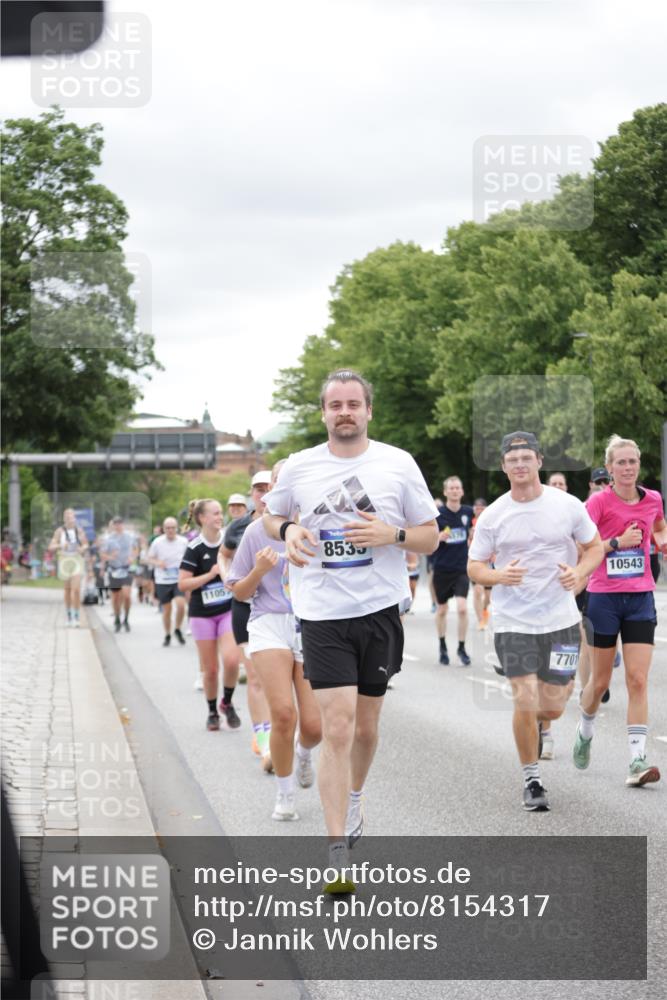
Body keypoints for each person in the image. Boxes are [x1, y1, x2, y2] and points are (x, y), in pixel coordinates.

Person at [264, 368, 438, 886]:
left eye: (353, 404)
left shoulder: (397, 464)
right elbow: (269, 519)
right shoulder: (299, 466)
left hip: (380, 609)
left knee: (365, 728)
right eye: (335, 404)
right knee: (336, 727)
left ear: (368, 411)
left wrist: (394, 533)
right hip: (321, 614)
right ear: (323, 413)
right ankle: (337, 848)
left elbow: (430, 537)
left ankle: (355, 796)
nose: (344, 412)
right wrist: (291, 528)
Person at [468, 431, 603, 812]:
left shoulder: (568, 505)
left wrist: (579, 575)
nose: (520, 465)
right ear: (504, 466)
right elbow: (475, 566)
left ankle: (544, 726)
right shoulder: (494, 514)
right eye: (513, 460)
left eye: (527, 458)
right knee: (525, 701)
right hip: (513, 620)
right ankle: (532, 779)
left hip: (560, 620)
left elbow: (594, 548)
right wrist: (498, 577)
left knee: (553, 708)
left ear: (539, 462)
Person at [227, 461, 322, 820]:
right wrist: (259, 570)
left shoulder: (315, 526)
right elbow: (240, 593)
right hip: (268, 622)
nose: (278, 488)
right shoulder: (255, 532)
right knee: (283, 713)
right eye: (274, 483)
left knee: (313, 726)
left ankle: (302, 753)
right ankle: (284, 795)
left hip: (312, 623)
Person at [573, 435, 667, 787]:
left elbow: (658, 526)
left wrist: (661, 542)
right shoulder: (598, 503)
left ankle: (636, 759)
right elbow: (581, 543)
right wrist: (616, 543)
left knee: (638, 680)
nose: (628, 468)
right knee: (599, 683)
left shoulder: (653, 499)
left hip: (640, 597)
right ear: (610, 468)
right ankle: (585, 729)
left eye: (633, 462)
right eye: (621, 463)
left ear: (639, 465)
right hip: (604, 599)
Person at [219, 471, 273, 762]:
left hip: (279, 609)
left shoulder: (291, 521)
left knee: (278, 679)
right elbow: (224, 554)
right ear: (252, 494)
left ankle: (279, 729)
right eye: (258, 489)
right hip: (245, 605)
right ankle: (263, 738)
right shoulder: (240, 526)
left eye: (268, 488)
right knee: (254, 675)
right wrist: (229, 578)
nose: (263, 494)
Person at [178, 499, 241, 732]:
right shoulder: (195, 548)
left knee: (233, 660)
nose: (219, 516)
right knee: (211, 669)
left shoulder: (230, 540)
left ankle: (227, 701)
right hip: (202, 614)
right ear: (202, 518)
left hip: (227, 610)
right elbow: (183, 584)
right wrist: (211, 574)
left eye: (219, 513)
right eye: (214, 513)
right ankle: (213, 711)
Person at [432, 476, 474, 666]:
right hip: (442, 569)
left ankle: (461, 647)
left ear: (462, 491)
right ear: (445, 492)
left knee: (463, 608)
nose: (455, 491)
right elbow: (428, 540)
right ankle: (442, 645)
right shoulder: (438, 514)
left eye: (458, 488)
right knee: (442, 610)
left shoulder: (468, 512)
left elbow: (476, 532)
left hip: (461, 569)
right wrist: (438, 537)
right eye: (452, 488)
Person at [148, 517, 188, 647]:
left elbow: (189, 559)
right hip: (162, 580)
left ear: (177, 528)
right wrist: (158, 562)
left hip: (178, 579)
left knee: (181, 605)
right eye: (167, 528)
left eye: (173, 528)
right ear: (163, 529)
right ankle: (167, 634)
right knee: (167, 610)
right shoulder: (157, 542)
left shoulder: (183, 541)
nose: (170, 530)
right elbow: (149, 558)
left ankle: (177, 628)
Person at [47, 509, 88, 627]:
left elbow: (85, 544)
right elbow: (51, 546)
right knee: (67, 590)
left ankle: (76, 616)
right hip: (64, 560)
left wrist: (82, 548)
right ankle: (69, 615)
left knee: (76, 590)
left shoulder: (79, 531)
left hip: (76, 560)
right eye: (67, 516)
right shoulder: (60, 531)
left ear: (74, 518)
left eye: (71, 516)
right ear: (64, 518)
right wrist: (61, 545)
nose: (70, 518)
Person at [100, 516, 138, 633]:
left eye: (120, 523)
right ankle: (117, 618)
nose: (118, 526)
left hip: (126, 569)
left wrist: (132, 557)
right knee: (115, 597)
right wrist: (110, 557)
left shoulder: (130, 536)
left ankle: (126, 618)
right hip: (114, 569)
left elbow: (136, 549)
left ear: (123, 524)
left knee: (127, 595)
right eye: (116, 524)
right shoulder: (108, 539)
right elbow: (102, 554)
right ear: (113, 525)